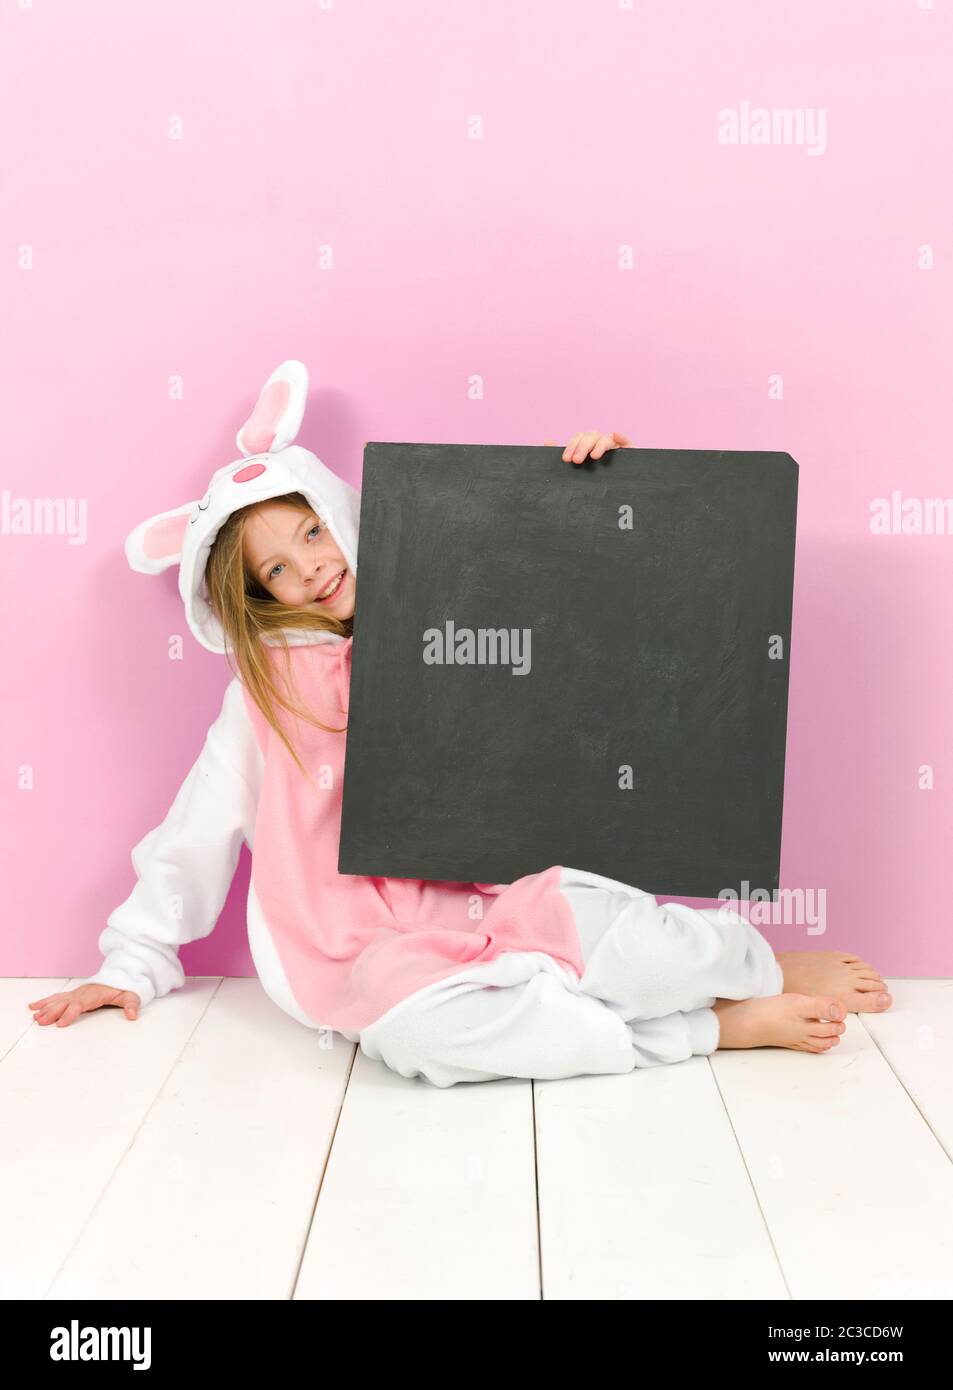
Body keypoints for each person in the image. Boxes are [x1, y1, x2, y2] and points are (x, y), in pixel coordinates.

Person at [28, 360, 892, 1087]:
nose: (315, 567)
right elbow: (193, 835)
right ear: (262, 597)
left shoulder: (454, 612)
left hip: (502, 893)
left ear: (340, 513)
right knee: (416, 1041)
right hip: (371, 952)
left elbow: (584, 605)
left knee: (634, 934)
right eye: (281, 569)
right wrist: (130, 962)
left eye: (312, 533)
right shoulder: (265, 702)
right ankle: (706, 1029)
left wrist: (604, 487)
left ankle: (753, 967)